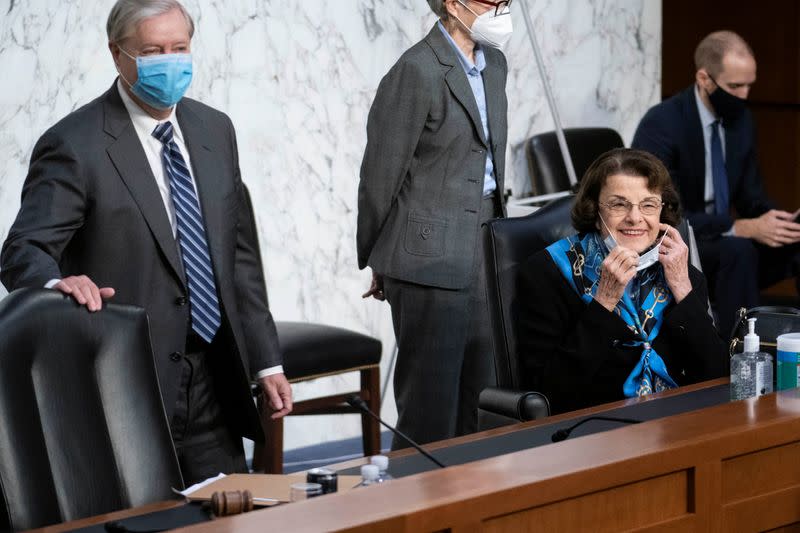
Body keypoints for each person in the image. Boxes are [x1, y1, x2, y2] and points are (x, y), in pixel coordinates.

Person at [0, 0, 292, 485]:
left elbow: (239, 257)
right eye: (154, 50)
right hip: (124, 382)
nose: (170, 61)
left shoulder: (215, 129)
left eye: (179, 47)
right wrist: (56, 284)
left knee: (229, 515)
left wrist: (266, 361)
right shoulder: (74, 145)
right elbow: (21, 251)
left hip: (213, 377)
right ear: (118, 54)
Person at [357, 0, 512, 447]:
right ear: (450, 3)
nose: (500, 8)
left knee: (482, 399)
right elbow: (381, 174)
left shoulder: (495, 63)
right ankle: (416, 510)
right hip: (426, 255)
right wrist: (378, 256)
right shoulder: (416, 70)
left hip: (487, 244)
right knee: (430, 406)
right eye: (489, 1)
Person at [517, 149, 726, 414]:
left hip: (677, 424)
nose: (635, 218)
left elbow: (718, 376)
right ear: (594, 210)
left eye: (648, 205)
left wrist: (683, 289)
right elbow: (550, 394)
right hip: (594, 430)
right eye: (618, 204)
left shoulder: (679, 271)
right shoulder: (547, 272)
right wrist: (604, 301)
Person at [632, 31, 800, 338]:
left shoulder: (741, 121)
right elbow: (662, 215)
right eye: (735, 86)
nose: (745, 95)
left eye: (750, 84)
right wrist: (741, 227)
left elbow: (752, 197)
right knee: (738, 250)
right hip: (678, 240)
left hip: (726, 239)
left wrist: (781, 222)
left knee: (793, 244)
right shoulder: (662, 123)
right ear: (704, 79)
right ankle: (742, 354)